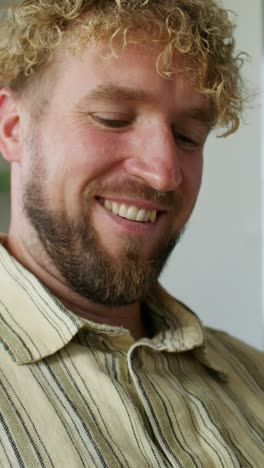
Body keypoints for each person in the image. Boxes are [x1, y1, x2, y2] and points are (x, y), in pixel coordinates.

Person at [0, 0, 263, 466]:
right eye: (113, 119)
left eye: (187, 137)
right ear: (13, 128)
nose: (164, 174)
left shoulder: (255, 378)